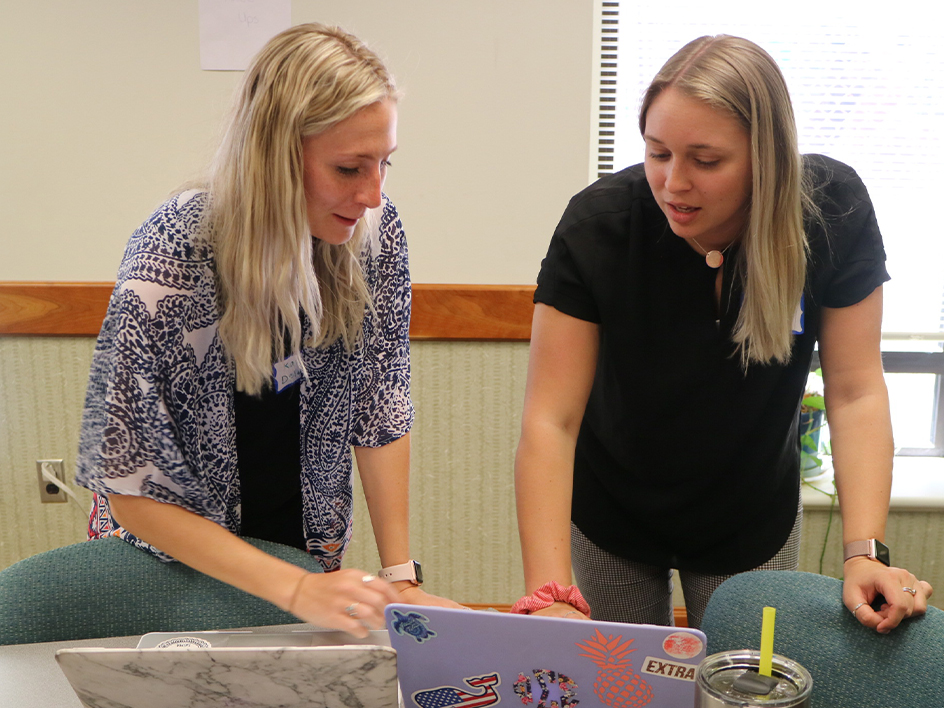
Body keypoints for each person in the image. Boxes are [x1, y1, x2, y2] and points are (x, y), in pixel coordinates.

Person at [513, 35, 933, 633]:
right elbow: (549, 421)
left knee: (747, 684)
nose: (673, 184)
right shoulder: (599, 226)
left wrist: (864, 551)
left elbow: (856, 390)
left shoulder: (830, 213)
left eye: (705, 161)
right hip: (615, 509)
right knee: (624, 686)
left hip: (750, 513)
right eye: (658, 153)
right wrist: (549, 591)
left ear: (767, 157)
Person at [76, 22, 458, 637]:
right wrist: (296, 588)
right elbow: (129, 481)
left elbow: (381, 408)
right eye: (349, 168)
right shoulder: (176, 248)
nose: (373, 194)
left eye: (384, 164)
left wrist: (399, 576)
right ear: (275, 156)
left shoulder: (374, 239)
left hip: (302, 546)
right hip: (165, 565)